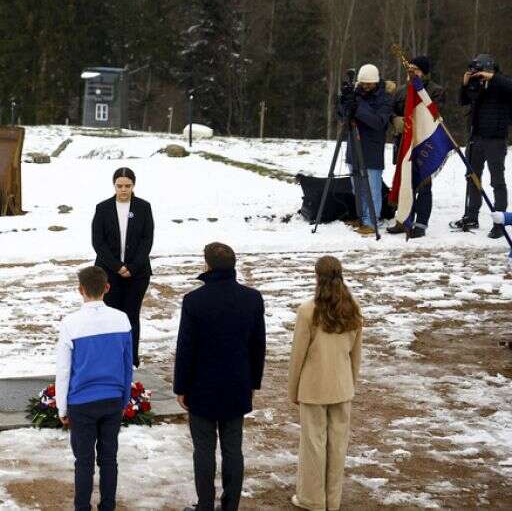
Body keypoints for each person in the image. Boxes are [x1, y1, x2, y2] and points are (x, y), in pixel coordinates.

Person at [174, 243, 266, 511]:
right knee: (232, 449)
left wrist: (181, 386)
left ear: (208, 266)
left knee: (203, 450)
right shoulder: (252, 298)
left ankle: (205, 505)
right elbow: (257, 345)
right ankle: (231, 505)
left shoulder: (194, 300)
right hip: (237, 383)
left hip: (202, 387)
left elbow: (186, 348)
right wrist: (253, 382)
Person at [56, 265, 135, 511]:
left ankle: (82, 507)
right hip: (112, 398)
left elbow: (64, 369)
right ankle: (107, 505)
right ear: (107, 288)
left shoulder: (71, 323)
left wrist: (61, 407)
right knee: (109, 458)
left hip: (81, 402)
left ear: (80, 290)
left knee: (84, 461)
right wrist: (124, 400)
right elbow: (127, 365)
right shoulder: (121, 320)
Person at [288, 256, 363, 511]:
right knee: (337, 445)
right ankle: (333, 500)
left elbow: (298, 355)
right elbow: (356, 353)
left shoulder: (308, 310)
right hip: (342, 386)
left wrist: (293, 389)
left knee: (313, 445)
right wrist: (350, 383)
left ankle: (313, 499)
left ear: (317, 277)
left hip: (313, 387)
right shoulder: (353, 308)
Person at [91, 167, 154, 367]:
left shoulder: (144, 207)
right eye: (120, 186)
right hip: (109, 273)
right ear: (114, 185)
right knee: (110, 314)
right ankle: (110, 358)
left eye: (128, 186)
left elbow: (147, 240)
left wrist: (132, 267)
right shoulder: (103, 208)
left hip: (137, 273)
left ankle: (131, 359)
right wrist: (117, 267)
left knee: (131, 314)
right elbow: (98, 242)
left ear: (134, 185)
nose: (124, 190)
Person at [452, 53, 512, 238]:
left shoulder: (502, 83)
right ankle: (471, 216)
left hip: (495, 139)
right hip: (475, 138)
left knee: (497, 181)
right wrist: (465, 83)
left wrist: (492, 78)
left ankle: (500, 220)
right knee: (472, 178)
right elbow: (463, 101)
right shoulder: (476, 86)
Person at [387, 56, 444, 239]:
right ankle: (404, 219)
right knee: (406, 183)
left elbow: (434, 114)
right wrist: (395, 119)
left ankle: (421, 224)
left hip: (426, 143)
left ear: (425, 72)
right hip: (404, 143)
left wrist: (418, 91)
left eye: (416, 69)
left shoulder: (436, 91)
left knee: (424, 185)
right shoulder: (402, 91)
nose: (412, 73)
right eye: (410, 69)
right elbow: (391, 110)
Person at [337, 63, 393, 235]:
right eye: (363, 84)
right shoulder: (356, 95)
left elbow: (378, 122)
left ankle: (372, 220)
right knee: (357, 187)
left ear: (376, 82)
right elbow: (342, 116)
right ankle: (362, 217)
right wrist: (344, 102)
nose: (365, 87)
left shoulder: (384, 98)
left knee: (372, 188)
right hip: (354, 146)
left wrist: (358, 108)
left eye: (369, 84)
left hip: (372, 148)